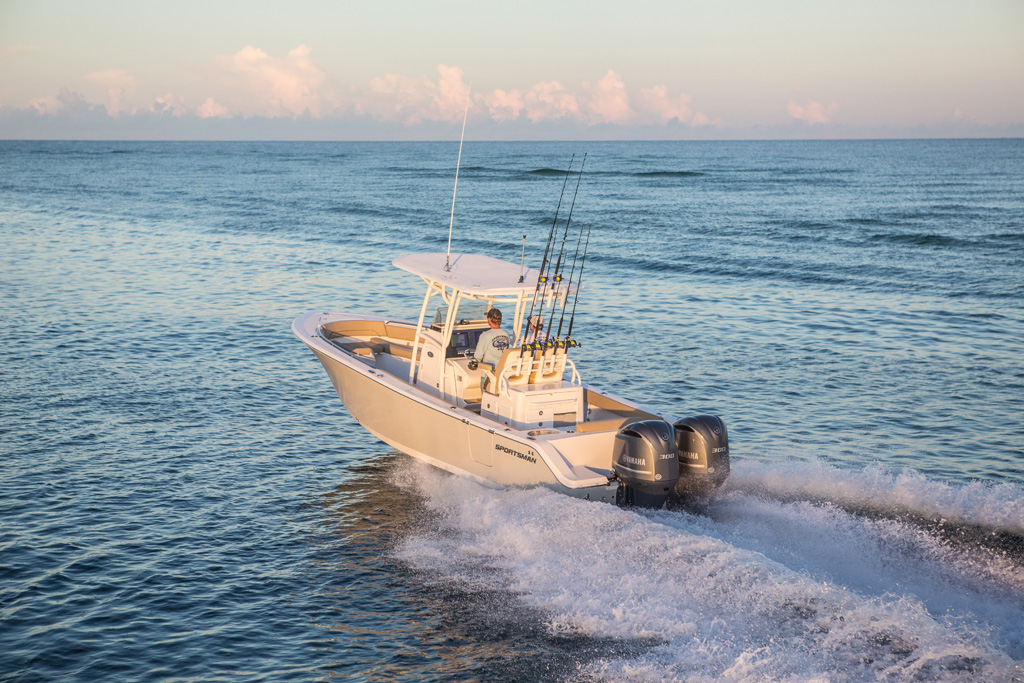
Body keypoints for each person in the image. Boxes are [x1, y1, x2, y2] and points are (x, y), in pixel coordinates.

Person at [473, 308, 511, 381]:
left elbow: (478, 356)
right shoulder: (506, 334)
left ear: (489, 319)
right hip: (502, 372)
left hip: (488, 373)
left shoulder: (485, 335)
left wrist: (473, 362)